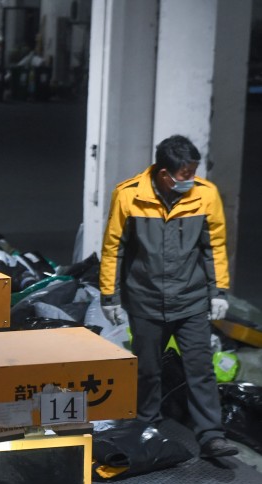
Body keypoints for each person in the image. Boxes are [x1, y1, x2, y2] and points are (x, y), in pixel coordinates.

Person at [99, 134, 238, 459]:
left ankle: (211, 436)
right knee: (147, 370)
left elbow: (214, 246)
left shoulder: (206, 195)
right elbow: (113, 249)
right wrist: (109, 295)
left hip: (190, 301)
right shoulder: (129, 195)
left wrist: (219, 292)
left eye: (193, 171)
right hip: (145, 301)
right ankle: (146, 426)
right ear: (164, 173)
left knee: (200, 369)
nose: (190, 179)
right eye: (184, 173)